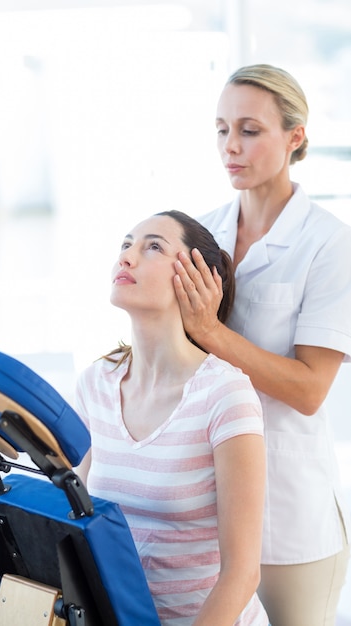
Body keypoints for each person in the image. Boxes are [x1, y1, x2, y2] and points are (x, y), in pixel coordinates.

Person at [173, 63, 351, 626]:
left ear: (294, 137)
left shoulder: (328, 245)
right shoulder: (200, 234)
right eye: (222, 129)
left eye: (250, 130)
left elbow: (308, 390)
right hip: (208, 506)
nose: (231, 146)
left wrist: (212, 334)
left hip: (289, 515)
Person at [74, 210, 269, 625]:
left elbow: (242, 573)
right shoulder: (97, 383)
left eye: (153, 247)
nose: (126, 257)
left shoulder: (225, 394)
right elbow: (77, 515)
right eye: (125, 245)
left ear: (197, 277)